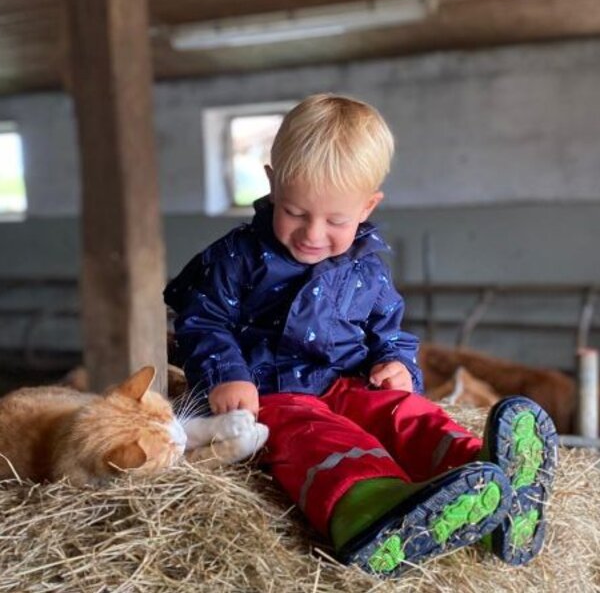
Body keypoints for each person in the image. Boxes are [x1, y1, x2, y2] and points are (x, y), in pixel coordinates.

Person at [164, 93, 558, 576]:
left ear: (368, 206)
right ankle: (372, 508)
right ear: (271, 184)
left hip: (348, 382)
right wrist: (227, 374)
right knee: (315, 435)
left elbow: (388, 332)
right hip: (273, 390)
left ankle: (485, 474)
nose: (312, 233)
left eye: (335, 221)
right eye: (294, 211)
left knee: (406, 411)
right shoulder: (235, 258)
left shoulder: (367, 268)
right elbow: (200, 320)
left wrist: (398, 366)